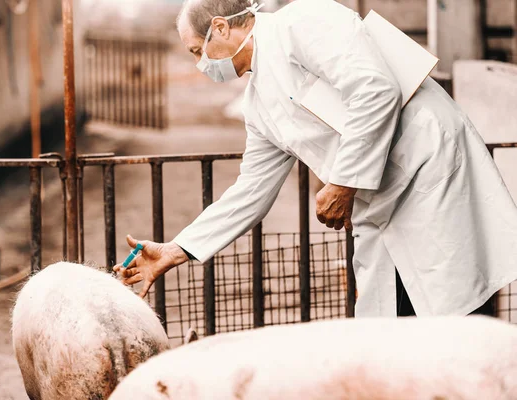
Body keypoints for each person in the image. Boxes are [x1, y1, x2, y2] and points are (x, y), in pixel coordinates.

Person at [115, 0, 517, 317]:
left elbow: (375, 90)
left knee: (455, 320)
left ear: (220, 28)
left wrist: (343, 182)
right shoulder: (257, 105)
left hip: (429, 175)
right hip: (384, 206)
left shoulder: (302, 22)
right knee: (394, 334)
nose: (199, 65)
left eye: (196, 51)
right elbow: (251, 192)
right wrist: (177, 249)